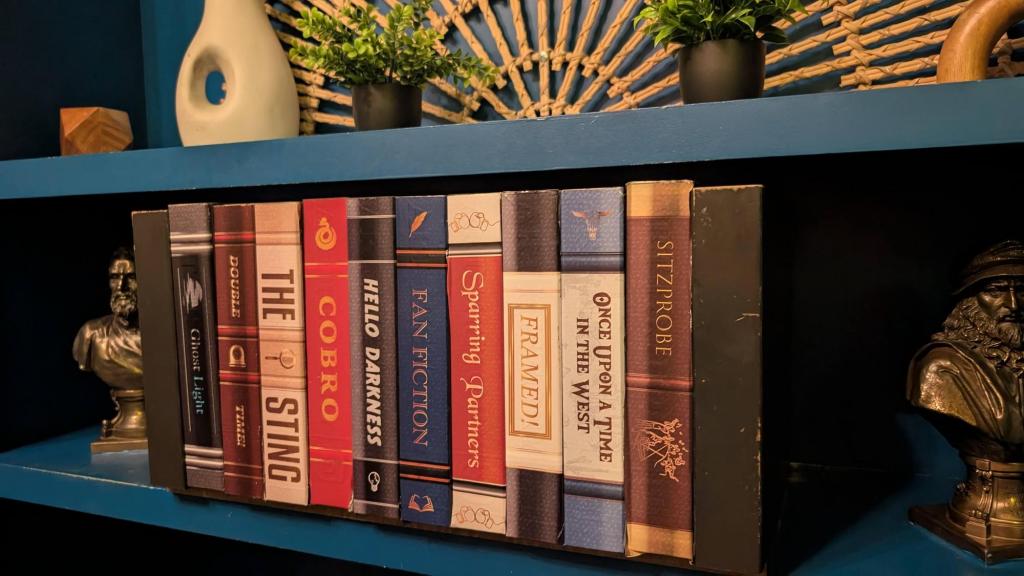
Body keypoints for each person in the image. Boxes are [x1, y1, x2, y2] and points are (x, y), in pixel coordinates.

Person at [73, 247, 143, 392]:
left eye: (131, 277)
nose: (121, 286)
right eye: (115, 277)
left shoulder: (162, 335)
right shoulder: (91, 334)